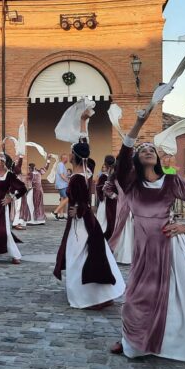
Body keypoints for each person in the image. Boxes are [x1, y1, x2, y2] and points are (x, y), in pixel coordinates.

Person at [110, 110, 185, 366]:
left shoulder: (171, 181)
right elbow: (122, 156)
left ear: (157, 156)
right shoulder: (130, 183)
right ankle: (132, 338)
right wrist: (139, 121)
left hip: (171, 245)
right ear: (136, 159)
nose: (147, 150)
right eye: (142, 149)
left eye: (150, 148)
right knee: (135, 297)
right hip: (143, 248)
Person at [54, 114, 126, 310]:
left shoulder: (77, 177)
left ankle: (87, 296)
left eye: (70, 153)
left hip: (81, 221)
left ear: (74, 156)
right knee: (94, 253)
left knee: (78, 255)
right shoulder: (88, 170)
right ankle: (102, 293)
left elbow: (81, 201)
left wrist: (76, 209)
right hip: (88, 220)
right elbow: (85, 145)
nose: (67, 155)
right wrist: (84, 121)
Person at [27, 161, 47, 226]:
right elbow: (46, 168)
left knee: (32, 204)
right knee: (39, 205)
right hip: (40, 190)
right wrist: (48, 160)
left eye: (29, 168)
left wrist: (27, 190)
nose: (28, 169)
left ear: (30, 168)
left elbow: (29, 184)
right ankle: (40, 220)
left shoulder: (30, 174)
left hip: (34, 190)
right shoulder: (39, 172)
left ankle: (33, 220)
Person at [53, 154, 70, 220]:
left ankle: (61, 215)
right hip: (62, 185)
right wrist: (68, 181)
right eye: (67, 158)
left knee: (63, 199)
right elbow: (62, 175)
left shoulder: (62, 165)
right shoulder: (60, 165)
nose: (67, 159)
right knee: (67, 198)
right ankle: (55, 212)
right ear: (64, 158)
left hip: (62, 185)